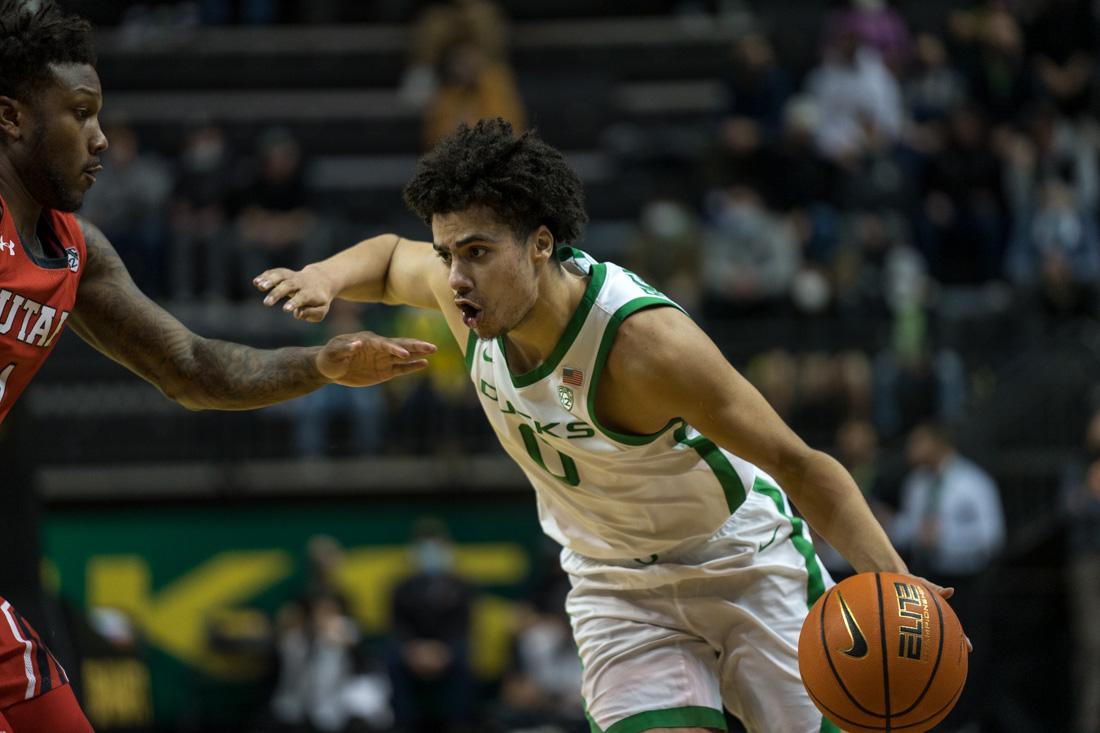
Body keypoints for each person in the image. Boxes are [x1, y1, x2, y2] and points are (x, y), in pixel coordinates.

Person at [256, 117, 962, 733]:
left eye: (475, 252)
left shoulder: (645, 346)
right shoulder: (464, 295)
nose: (454, 276)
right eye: (445, 254)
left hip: (736, 561)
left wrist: (898, 584)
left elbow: (801, 463)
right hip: (615, 584)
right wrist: (323, 275)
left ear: (539, 243)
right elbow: (383, 258)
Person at [0, 3, 435, 730]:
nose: (101, 138)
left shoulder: (77, 251)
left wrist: (320, 364)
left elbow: (193, 366)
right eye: (80, 113)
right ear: (11, 118)